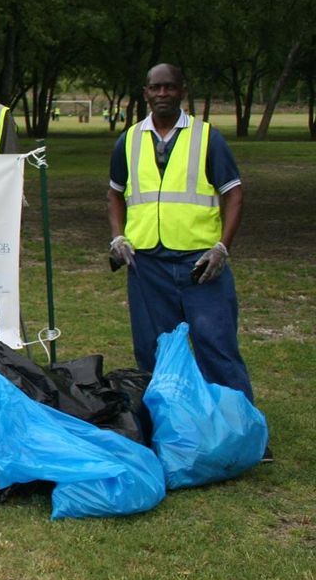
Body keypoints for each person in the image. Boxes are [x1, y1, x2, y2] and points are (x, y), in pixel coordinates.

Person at [106, 65, 262, 451]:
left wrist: (222, 247)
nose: (163, 93)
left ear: (182, 92)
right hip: (147, 266)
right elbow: (114, 192)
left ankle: (243, 434)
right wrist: (118, 236)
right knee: (153, 352)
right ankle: (168, 431)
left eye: (170, 87)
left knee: (217, 346)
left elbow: (234, 193)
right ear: (145, 93)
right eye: (156, 87)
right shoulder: (128, 140)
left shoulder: (207, 137)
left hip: (200, 265)